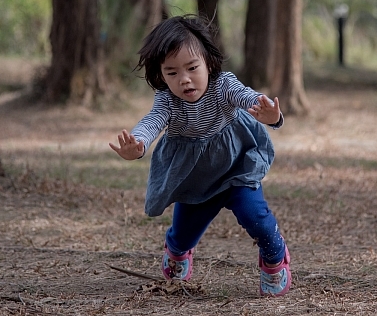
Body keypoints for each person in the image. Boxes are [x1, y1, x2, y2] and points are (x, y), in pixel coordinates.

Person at [109, 15, 291, 297]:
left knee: (256, 216)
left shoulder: (222, 85)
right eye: (172, 73)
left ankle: (275, 257)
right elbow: (152, 120)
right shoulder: (167, 100)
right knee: (183, 234)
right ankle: (178, 251)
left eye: (192, 68)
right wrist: (139, 143)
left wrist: (267, 110)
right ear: (160, 74)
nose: (184, 79)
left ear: (208, 62)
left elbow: (246, 96)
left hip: (236, 168)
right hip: (195, 178)